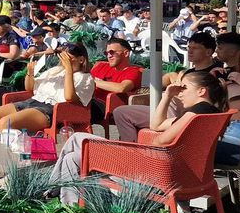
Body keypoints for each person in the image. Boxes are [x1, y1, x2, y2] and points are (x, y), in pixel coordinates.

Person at [50, 71, 228, 205]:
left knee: (74, 157)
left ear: (201, 91)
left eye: (184, 88)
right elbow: (157, 125)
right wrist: (167, 95)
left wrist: (134, 149)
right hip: (179, 173)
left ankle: (69, 209)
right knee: (77, 139)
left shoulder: (193, 116)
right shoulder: (209, 114)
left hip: (153, 171)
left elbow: (160, 140)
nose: (179, 92)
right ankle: (53, 191)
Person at [0, 43, 94, 152]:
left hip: (52, 109)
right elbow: (29, 88)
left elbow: (69, 97)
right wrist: (30, 73)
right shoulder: (55, 70)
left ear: (81, 59)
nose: (62, 59)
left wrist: (69, 70)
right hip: (33, 101)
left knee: (5, 123)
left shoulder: (85, 78)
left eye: (67, 57)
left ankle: (13, 168)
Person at [88, 38, 142, 124]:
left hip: (108, 108)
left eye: (112, 52)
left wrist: (93, 82)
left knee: (77, 109)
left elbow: (121, 88)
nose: (109, 56)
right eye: (106, 53)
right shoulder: (101, 66)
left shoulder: (133, 71)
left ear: (126, 53)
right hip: (90, 102)